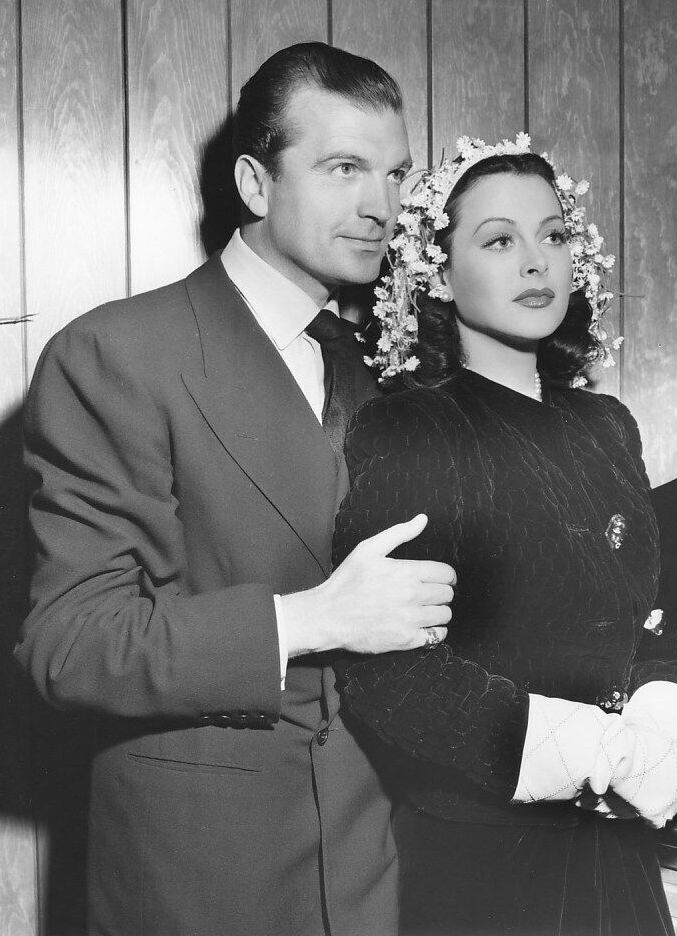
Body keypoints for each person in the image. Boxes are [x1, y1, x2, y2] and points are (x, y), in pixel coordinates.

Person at [16, 43, 456, 936]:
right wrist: (310, 620)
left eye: (395, 174)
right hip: (203, 879)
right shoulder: (116, 354)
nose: (380, 206)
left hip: (384, 871)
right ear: (255, 184)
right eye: (343, 169)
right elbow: (70, 644)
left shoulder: (399, 369)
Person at [332, 134, 677, 936]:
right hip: (484, 863)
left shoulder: (604, 424)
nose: (536, 262)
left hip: (619, 850)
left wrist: (664, 707)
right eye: (499, 241)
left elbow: (660, 612)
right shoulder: (413, 426)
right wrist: (582, 750)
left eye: (552, 234)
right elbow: (389, 676)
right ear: (439, 275)